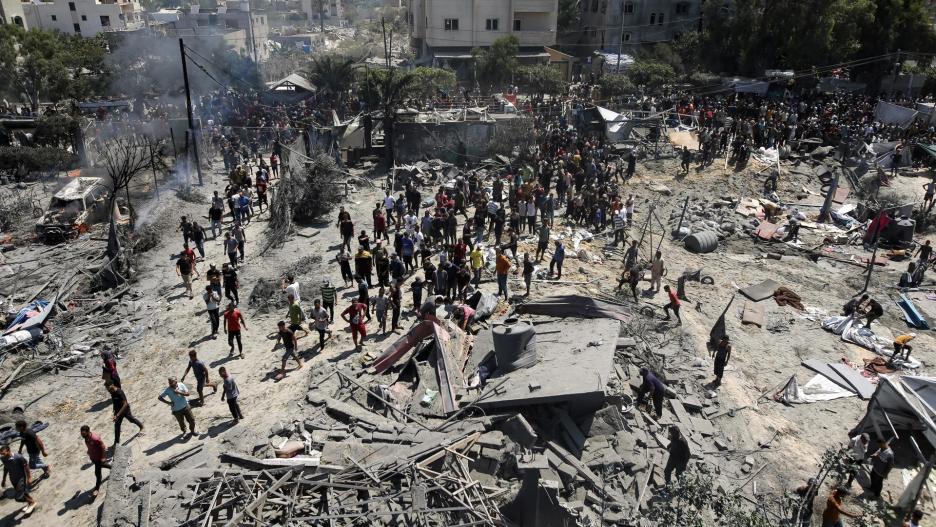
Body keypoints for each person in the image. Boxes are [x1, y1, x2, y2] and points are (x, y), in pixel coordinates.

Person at [1, 443, 36, 513]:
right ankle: (30, 503)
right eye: (1, 454)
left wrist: (29, 477)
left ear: (9, 451)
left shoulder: (18, 457)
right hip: (13, 479)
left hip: (21, 478)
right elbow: (6, 468)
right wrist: (4, 479)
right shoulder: (3, 459)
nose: (3, 455)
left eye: (4, 453)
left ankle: (32, 502)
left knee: (18, 498)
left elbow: (26, 467)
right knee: (24, 492)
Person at [80, 425, 110, 497]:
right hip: (93, 457)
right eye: (81, 433)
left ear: (88, 432)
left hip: (98, 458)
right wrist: (89, 451)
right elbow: (90, 446)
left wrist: (103, 457)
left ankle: (96, 489)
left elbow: (103, 446)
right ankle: (114, 467)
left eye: (83, 433)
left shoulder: (95, 438)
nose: (82, 435)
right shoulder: (86, 438)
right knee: (103, 465)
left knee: (98, 474)